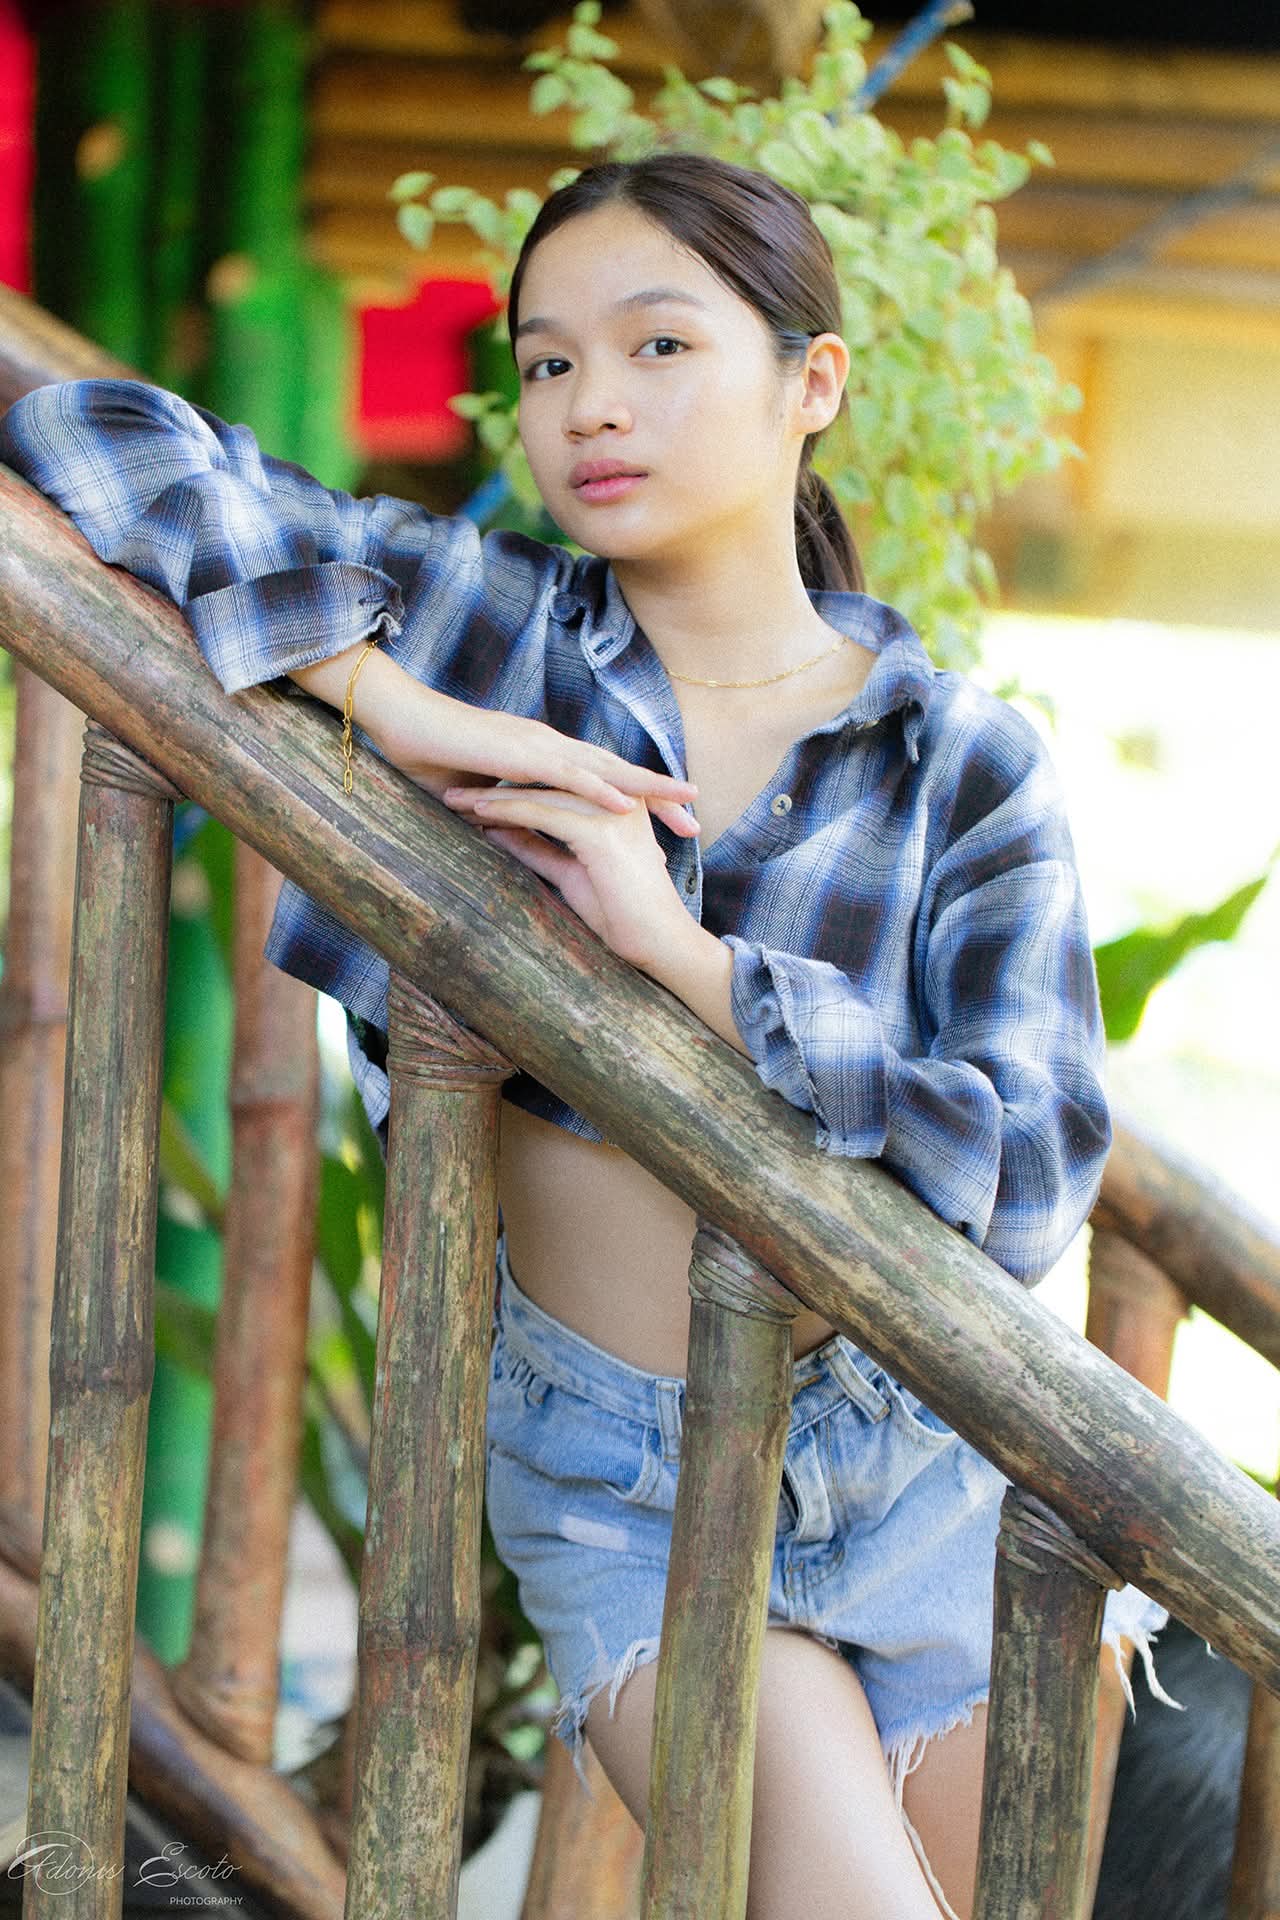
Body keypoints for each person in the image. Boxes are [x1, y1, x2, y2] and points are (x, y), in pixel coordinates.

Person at [0, 152, 1167, 1920]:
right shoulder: (484, 622)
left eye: (658, 346)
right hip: (629, 1481)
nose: (589, 405)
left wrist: (688, 962)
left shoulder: (960, 762)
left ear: (814, 383)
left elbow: (1023, 1173)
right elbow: (87, 434)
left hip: (935, 1465)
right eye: (547, 362)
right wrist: (390, 700)